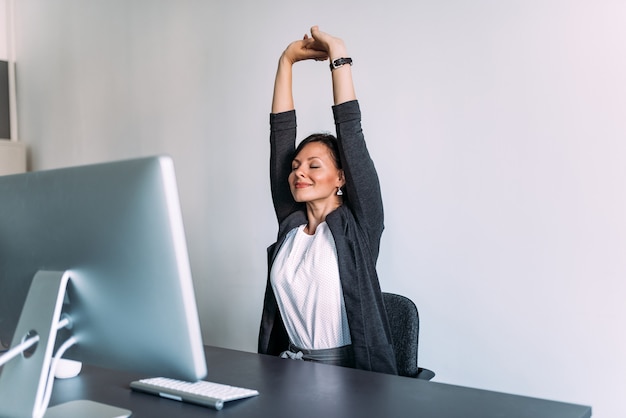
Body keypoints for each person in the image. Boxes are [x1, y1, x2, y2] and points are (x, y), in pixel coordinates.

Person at [257, 26, 398, 375]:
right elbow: (280, 136)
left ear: (341, 177)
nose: (299, 173)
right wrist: (286, 61)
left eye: (314, 166)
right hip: (289, 375)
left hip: (353, 378)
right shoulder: (290, 224)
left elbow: (350, 131)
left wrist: (337, 52)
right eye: (295, 167)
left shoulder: (358, 226)